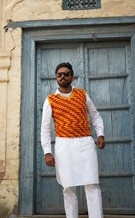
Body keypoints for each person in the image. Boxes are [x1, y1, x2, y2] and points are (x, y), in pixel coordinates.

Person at [41, 62, 105, 218]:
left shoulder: (82, 94)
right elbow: (45, 128)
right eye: (59, 74)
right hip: (64, 146)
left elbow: (95, 115)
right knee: (68, 188)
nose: (62, 76)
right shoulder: (50, 100)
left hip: (85, 144)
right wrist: (47, 152)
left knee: (92, 185)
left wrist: (101, 134)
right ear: (56, 78)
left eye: (66, 74)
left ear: (72, 76)